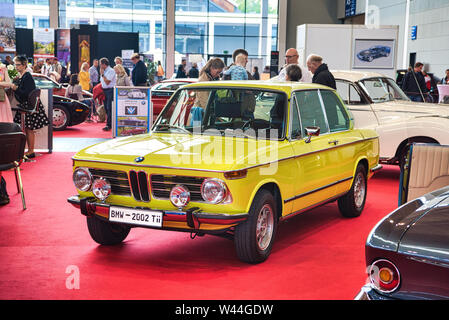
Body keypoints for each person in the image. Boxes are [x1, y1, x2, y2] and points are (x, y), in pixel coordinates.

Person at [9, 56, 49, 158]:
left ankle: (31, 151)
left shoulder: (27, 76)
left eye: (18, 65)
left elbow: (25, 93)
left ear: (24, 65)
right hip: (26, 105)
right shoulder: (24, 76)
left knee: (29, 129)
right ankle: (29, 150)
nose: (16, 67)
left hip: (28, 106)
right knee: (27, 129)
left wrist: (15, 88)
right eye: (15, 64)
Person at [99, 57, 116, 131]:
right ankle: (108, 123)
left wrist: (102, 75)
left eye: (100, 64)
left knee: (109, 108)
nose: (100, 66)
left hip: (110, 91)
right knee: (106, 108)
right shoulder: (105, 71)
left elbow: (107, 81)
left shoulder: (111, 71)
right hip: (104, 91)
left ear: (103, 64)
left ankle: (109, 125)